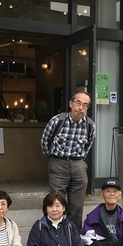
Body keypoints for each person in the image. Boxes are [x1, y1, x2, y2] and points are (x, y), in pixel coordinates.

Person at [41, 91, 96, 230]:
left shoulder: (90, 125)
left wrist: (78, 161)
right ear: (71, 104)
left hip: (78, 165)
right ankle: (55, 234)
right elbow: (45, 141)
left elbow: (88, 146)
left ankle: (73, 236)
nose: (81, 108)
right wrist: (53, 159)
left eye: (85, 105)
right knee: (56, 202)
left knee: (77, 206)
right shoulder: (57, 121)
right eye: (78, 103)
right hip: (58, 164)